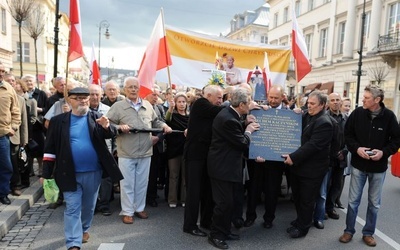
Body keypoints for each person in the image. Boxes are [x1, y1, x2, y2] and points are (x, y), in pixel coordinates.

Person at [41, 87, 123, 250]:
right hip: (68, 172)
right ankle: (73, 242)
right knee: (72, 207)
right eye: (78, 98)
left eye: (85, 98)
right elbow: (49, 149)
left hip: (93, 171)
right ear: (69, 100)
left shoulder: (97, 117)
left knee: (88, 207)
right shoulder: (58, 121)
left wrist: (107, 126)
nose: (83, 100)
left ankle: (84, 228)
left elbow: (111, 133)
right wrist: (46, 173)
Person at [339, 85, 400, 247]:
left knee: (374, 203)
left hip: (378, 168)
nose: (362, 100)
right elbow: (348, 135)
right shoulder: (357, 114)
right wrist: (357, 149)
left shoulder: (389, 117)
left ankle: (368, 233)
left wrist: (383, 152)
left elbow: (396, 140)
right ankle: (348, 231)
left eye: (366, 98)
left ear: (377, 100)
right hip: (359, 165)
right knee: (353, 201)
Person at [106, 77, 172, 224]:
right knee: (127, 183)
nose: (133, 90)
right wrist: (119, 127)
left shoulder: (147, 105)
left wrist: (164, 126)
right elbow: (108, 123)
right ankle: (128, 211)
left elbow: (157, 121)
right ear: (125, 89)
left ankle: (139, 208)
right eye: (130, 87)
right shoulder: (118, 106)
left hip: (146, 151)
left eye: (136, 87)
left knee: (142, 182)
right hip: (127, 151)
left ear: (139, 89)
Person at [207, 88, 259, 249]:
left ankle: (224, 230)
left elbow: (234, 131)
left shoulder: (231, 115)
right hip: (222, 168)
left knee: (228, 203)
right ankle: (216, 235)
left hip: (226, 167)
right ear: (242, 105)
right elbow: (242, 142)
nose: (250, 105)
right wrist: (249, 131)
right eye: (249, 102)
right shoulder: (228, 118)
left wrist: (244, 123)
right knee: (223, 203)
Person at [282, 90, 333, 238]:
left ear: (322, 105)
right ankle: (300, 220)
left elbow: (313, 145)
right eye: (308, 103)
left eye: (313, 104)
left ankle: (303, 228)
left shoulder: (324, 122)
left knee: (306, 199)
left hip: (312, 169)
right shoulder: (307, 115)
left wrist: (293, 157)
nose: (309, 106)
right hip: (299, 167)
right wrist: (295, 112)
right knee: (297, 196)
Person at [245, 85, 292, 229]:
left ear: (282, 97)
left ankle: (269, 219)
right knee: (254, 191)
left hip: (276, 163)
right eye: (270, 97)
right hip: (258, 160)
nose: (272, 100)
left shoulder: (290, 114)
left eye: (276, 98)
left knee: (272, 193)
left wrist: (296, 113)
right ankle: (250, 217)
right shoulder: (258, 110)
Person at [183, 85, 224, 237]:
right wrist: (236, 107)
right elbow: (219, 111)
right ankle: (190, 225)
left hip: (207, 156)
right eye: (218, 97)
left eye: (222, 98)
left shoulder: (211, 109)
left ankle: (206, 221)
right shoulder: (201, 103)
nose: (221, 101)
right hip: (195, 156)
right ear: (208, 95)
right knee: (194, 192)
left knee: (208, 191)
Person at [313, 93, 347, 229]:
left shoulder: (346, 118)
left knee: (337, 184)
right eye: (332, 100)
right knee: (324, 186)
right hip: (327, 158)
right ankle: (321, 210)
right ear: (328, 103)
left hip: (341, 157)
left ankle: (330, 207)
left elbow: (350, 137)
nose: (335, 102)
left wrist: (344, 151)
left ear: (341, 102)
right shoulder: (324, 117)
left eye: (337, 100)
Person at [88, 84, 113, 216]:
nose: (95, 97)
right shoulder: (82, 110)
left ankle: (104, 204)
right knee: (90, 177)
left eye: (97, 94)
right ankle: (92, 204)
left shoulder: (108, 110)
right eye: (92, 94)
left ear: (102, 95)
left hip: (105, 148)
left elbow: (112, 130)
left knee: (106, 178)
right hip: (89, 150)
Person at [0, 62, 21, 205]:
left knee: (6, 166)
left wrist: (13, 127)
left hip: (3, 135)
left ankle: (3, 193)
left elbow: (16, 111)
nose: (1, 73)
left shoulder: (8, 88)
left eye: (3, 70)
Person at [4, 74, 29, 197]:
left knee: (14, 163)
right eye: (9, 80)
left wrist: (24, 139)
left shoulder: (20, 100)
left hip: (15, 137)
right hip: (2, 134)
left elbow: (24, 121)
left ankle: (16, 186)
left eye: (13, 81)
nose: (11, 82)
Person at [165, 92, 189, 208]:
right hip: (173, 150)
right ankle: (172, 199)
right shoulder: (172, 116)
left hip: (186, 149)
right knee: (173, 175)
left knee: (185, 176)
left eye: (183, 102)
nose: (181, 104)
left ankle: (184, 199)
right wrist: (170, 108)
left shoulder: (190, 117)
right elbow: (167, 119)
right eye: (179, 102)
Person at [144, 85, 166, 207]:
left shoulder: (159, 109)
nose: (156, 97)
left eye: (157, 95)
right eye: (154, 94)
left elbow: (163, 125)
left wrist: (158, 137)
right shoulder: (140, 108)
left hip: (156, 145)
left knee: (153, 173)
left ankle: (151, 196)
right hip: (141, 144)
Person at [23, 74, 47, 177]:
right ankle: (30, 169)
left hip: (38, 125)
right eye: (27, 81)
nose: (29, 83)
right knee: (28, 148)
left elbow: (48, 108)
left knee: (40, 148)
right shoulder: (22, 93)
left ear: (34, 82)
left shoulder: (41, 93)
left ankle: (41, 168)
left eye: (30, 81)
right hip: (26, 124)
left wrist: (39, 109)